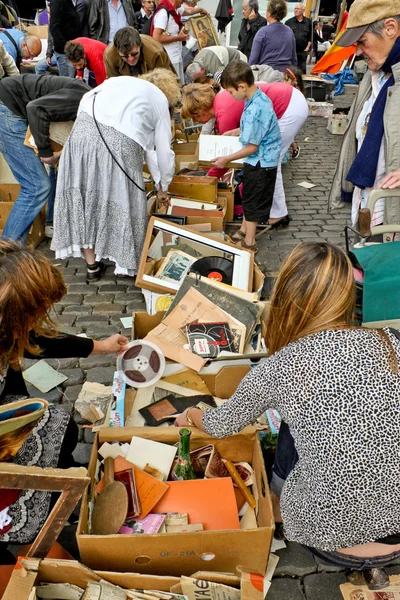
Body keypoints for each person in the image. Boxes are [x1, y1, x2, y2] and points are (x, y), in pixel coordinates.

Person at [175, 240, 400, 592]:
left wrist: (190, 414)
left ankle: (277, 510)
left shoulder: (279, 367)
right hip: (397, 530)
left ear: (287, 296)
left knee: (294, 428)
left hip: (330, 538)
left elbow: (219, 425)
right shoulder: (391, 341)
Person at [0, 239, 128, 555]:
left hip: (10, 415)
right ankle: (26, 534)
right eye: (35, 314)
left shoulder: (9, 326)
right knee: (22, 510)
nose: (40, 319)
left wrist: (100, 346)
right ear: (13, 314)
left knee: (63, 428)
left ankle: (63, 490)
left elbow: (39, 339)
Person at [51, 69, 180, 279]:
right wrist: (163, 185)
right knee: (125, 197)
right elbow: (161, 152)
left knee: (86, 197)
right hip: (119, 142)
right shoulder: (158, 100)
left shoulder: (117, 83)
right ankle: (127, 262)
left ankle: (92, 264)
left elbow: (86, 101)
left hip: (81, 134)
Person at [181, 76, 308, 229]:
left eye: (194, 117)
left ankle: (278, 214)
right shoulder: (221, 100)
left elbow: (228, 160)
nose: (195, 121)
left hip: (288, 109)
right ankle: (275, 212)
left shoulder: (224, 114)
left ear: (200, 110)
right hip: (289, 100)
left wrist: (206, 181)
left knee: (271, 160)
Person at [328, 0, 400, 228]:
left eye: (362, 42)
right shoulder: (374, 75)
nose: (358, 52)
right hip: (369, 206)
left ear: (390, 29)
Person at [0, 74, 90, 244]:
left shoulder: (85, 97)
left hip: (7, 108)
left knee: (34, 188)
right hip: (7, 111)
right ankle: (6, 252)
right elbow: (36, 108)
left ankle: (13, 250)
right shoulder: (81, 99)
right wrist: (46, 153)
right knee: (37, 187)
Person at [211, 62, 281, 252]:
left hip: (260, 161)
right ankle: (243, 230)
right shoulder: (259, 98)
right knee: (250, 197)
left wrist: (227, 159)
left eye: (231, 92)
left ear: (241, 86)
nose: (231, 97)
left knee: (252, 203)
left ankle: (249, 242)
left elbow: (252, 146)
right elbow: (255, 130)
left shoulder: (254, 110)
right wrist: (236, 132)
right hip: (263, 160)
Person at [150, 0, 207, 84]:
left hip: (177, 57)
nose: (183, 1)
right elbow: (156, 37)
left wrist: (201, 10)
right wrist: (178, 38)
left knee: (179, 85)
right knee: (172, 87)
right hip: (169, 59)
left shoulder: (176, 9)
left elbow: (189, 11)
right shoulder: (163, 13)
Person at [104, 26, 175, 77]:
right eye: (125, 56)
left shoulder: (156, 53)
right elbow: (113, 82)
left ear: (139, 46)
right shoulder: (109, 56)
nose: (131, 59)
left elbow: (166, 80)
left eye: (134, 54)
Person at [249, 0, 297, 72]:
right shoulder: (289, 31)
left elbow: (253, 59)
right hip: (285, 75)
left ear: (269, 13)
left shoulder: (262, 32)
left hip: (266, 75)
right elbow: (294, 59)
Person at [50, 0, 89, 77]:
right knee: (68, 83)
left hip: (72, 51)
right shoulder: (58, 2)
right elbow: (53, 28)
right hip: (65, 53)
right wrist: (66, 47)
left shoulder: (69, 2)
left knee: (72, 82)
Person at [283, 65, 304, 158]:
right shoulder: (289, 89)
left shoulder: (296, 91)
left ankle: (292, 148)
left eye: (286, 80)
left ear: (294, 81)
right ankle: (294, 148)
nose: (284, 82)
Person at [285, 3, 312, 73]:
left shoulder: (308, 22)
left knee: (302, 71)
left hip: (303, 52)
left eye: (298, 9)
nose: (296, 10)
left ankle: (301, 83)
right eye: (295, 9)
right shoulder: (288, 22)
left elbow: (310, 36)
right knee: (291, 71)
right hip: (291, 52)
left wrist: (307, 47)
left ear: (303, 11)